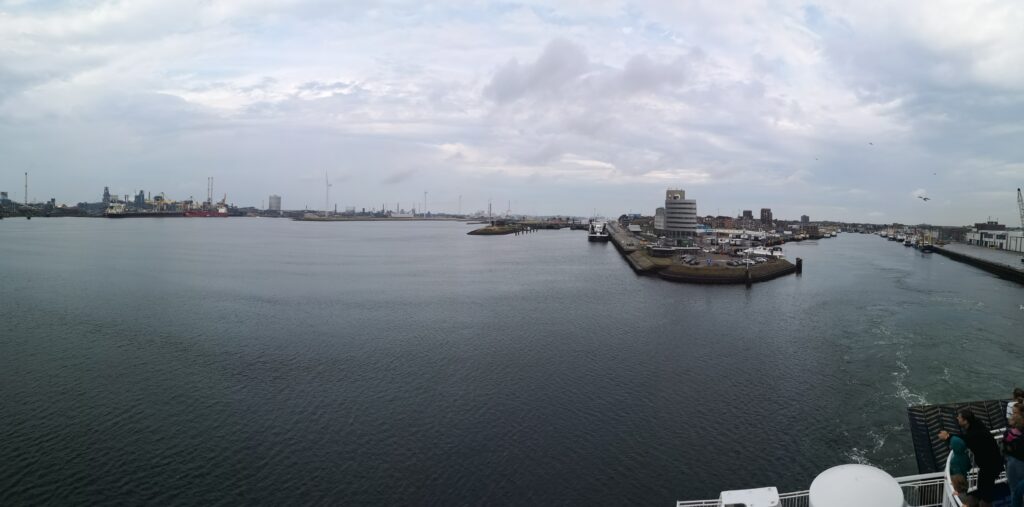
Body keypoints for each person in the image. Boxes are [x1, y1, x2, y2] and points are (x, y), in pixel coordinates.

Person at [946, 409, 1004, 507]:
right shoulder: (977, 425)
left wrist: (948, 437)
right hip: (990, 464)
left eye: (959, 417)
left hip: (990, 466)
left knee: (986, 493)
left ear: (965, 421)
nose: (957, 418)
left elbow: (966, 438)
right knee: (982, 487)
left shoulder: (974, 434)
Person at [1006, 403, 1024, 507]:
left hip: (1016, 462)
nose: (1012, 415)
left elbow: (1006, 447)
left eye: (1015, 413)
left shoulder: (1013, 433)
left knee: (1015, 490)